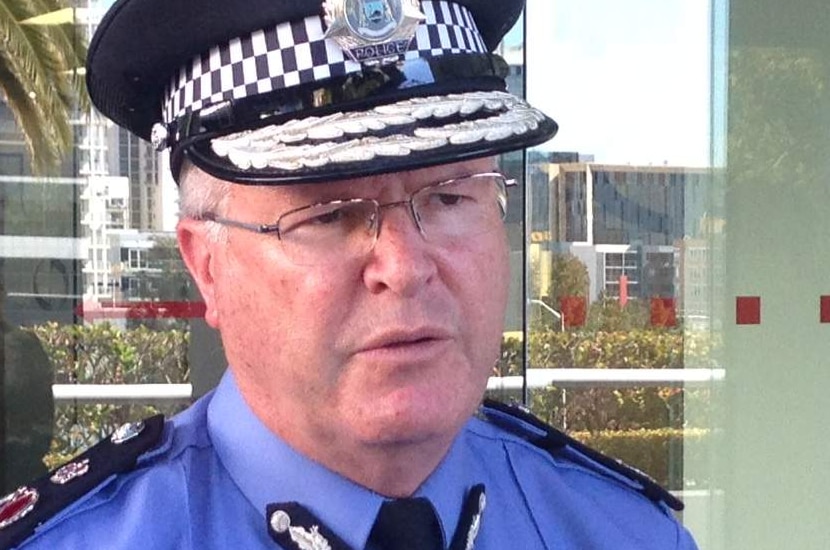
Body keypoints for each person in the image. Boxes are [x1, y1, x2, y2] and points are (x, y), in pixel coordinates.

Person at [0, 0, 699, 548]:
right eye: (327, 215)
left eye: (451, 197)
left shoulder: (620, 532)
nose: (404, 266)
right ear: (205, 263)